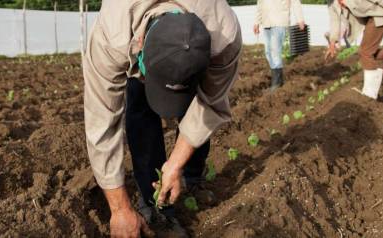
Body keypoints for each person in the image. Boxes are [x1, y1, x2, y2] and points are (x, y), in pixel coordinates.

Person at [83, 0, 242, 237]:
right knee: (139, 104)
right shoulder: (111, 35)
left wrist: (176, 163)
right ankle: (153, 203)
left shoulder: (224, 35)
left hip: (202, 38)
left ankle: (192, 177)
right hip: (131, 36)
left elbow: (210, 102)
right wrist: (119, 208)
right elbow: (101, 123)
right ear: (140, 45)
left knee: (195, 108)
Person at [325, 0, 383, 100]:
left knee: (365, 52)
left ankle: (370, 95)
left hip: (381, 15)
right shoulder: (331, 2)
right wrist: (333, 41)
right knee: (372, 53)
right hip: (370, 18)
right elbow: (335, 20)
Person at [253, 0, 305, 91]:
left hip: (279, 21)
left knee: (275, 53)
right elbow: (260, 4)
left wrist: (300, 19)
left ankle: (276, 83)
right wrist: (257, 22)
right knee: (268, 52)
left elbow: (295, 2)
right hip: (266, 22)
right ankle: (278, 81)